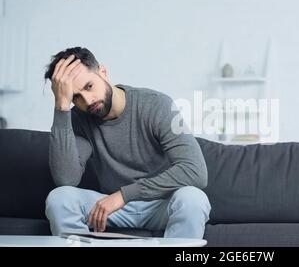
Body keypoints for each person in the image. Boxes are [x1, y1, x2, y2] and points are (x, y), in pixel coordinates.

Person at [44, 47, 210, 239]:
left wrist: (124, 195)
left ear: (103, 72)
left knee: (193, 199)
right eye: (75, 97)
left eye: (89, 86)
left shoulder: (157, 105)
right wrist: (61, 108)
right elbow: (66, 180)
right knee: (59, 199)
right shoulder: (78, 118)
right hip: (110, 210)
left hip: (160, 205)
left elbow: (196, 171)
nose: (88, 100)